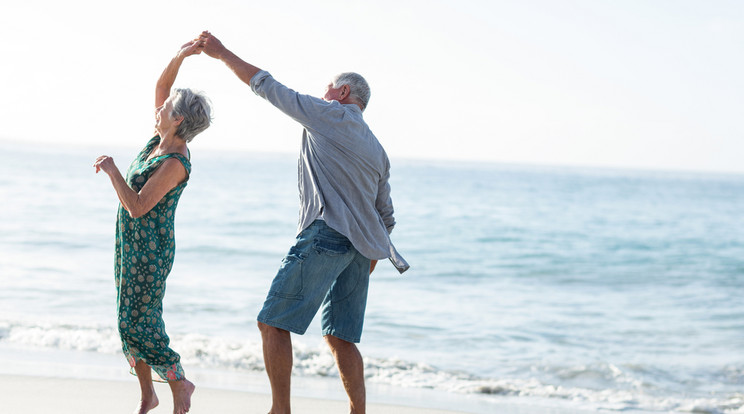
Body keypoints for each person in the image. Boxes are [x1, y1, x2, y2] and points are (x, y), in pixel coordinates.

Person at [198, 31, 409, 414]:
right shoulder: (377, 148)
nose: (322, 94)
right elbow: (387, 216)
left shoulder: (329, 114)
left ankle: (280, 410)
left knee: (272, 323)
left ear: (343, 93)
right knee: (340, 337)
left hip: (327, 235)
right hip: (363, 250)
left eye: (327, 88)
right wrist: (368, 259)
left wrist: (222, 52)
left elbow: (268, 86)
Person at [93, 39, 212, 414]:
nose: (158, 107)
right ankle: (148, 394)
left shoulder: (176, 160)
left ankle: (179, 381)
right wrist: (180, 56)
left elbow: (140, 206)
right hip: (128, 244)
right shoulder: (158, 141)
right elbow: (162, 90)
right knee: (126, 320)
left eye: (166, 108)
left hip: (150, 251)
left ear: (178, 119)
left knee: (138, 324)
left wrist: (113, 172)